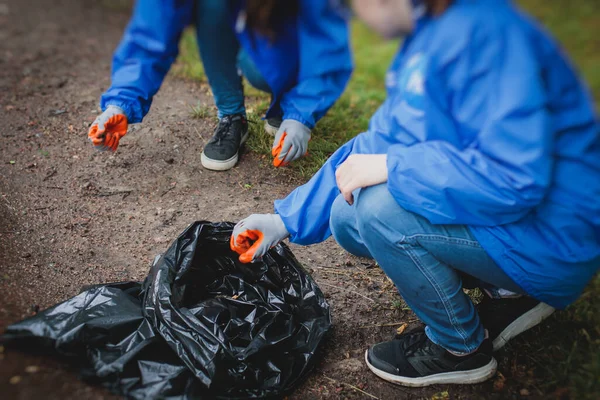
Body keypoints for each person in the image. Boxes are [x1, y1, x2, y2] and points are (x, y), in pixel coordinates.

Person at [230, 0, 600, 387]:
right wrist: (283, 221)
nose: (354, 15)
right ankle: (506, 289)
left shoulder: (483, 31)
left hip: (552, 240)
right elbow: (382, 140)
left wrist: (394, 167)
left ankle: (461, 348)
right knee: (346, 213)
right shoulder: (429, 36)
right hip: (515, 223)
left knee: (377, 208)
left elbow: (516, 176)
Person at [87, 0, 352, 171]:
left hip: (282, 21)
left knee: (262, 69)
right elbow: (150, 35)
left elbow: (326, 44)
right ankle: (231, 115)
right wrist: (120, 102)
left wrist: (301, 115)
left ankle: (285, 104)